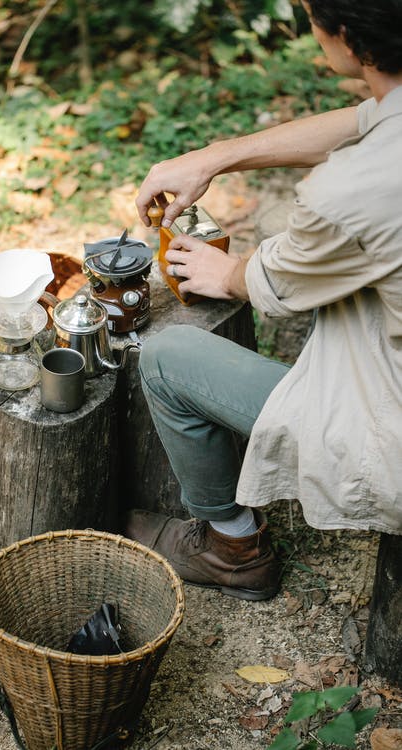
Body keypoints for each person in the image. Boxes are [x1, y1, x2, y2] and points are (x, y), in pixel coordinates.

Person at [124, 0, 402, 601]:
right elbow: (362, 122)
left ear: (347, 40)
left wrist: (224, 270)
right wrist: (215, 155)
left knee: (167, 357)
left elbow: (269, 283)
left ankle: (232, 548)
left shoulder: (351, 192)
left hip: (391, 433)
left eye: (310, 15)